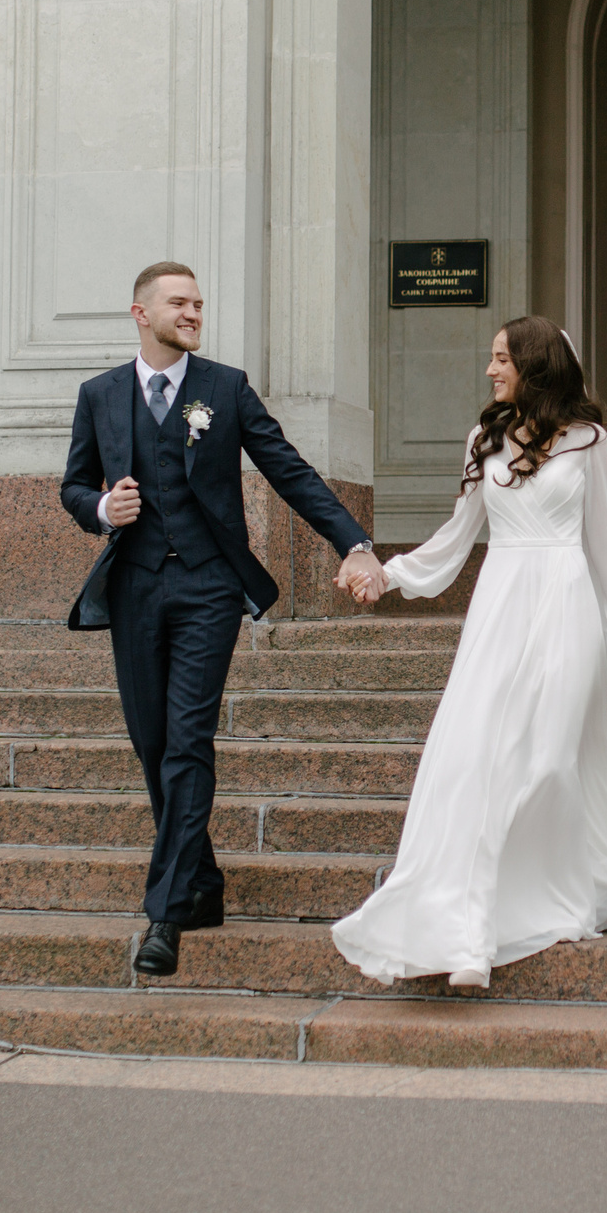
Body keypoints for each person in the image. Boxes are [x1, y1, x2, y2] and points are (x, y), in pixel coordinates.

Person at [330, 314, 607, 988]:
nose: (489, 368)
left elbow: (602, 548)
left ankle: (548, 899)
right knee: (474, 758)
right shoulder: (485, 438)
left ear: (535, 365)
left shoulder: (588, 440)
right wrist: (388, 573)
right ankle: (467, 932)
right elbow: (456, 535)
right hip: (499, 611)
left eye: (501, 357)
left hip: (566, 609)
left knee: (548, 760)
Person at [61, 263, 387, 976]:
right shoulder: (100, 395)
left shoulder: (226, 388)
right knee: (151, 742)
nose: (194, 311)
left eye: (199, 303)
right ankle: (202, 882)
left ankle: (165, 914)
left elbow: (289, 470)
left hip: (210, 586)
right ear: (141, 313)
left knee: (186, 739)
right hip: (134, 590)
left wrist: (353, 541)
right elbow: (74, 483)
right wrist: (97, 508)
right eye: (179, 302)